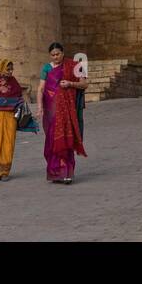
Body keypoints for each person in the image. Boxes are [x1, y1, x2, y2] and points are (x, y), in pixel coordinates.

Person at [38, 42, 88, 184]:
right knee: (52, 140)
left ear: (63, 53)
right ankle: (55, 173)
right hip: (51, 110)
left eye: (57, 54)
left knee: (66, 138)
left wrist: (70, 84)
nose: (55, 57)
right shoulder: (46, 68)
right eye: (52, 55)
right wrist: (40, 106)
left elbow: (84, 84)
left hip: (67, 110)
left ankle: (66, 173)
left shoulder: (74, 65)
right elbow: (41, 89)